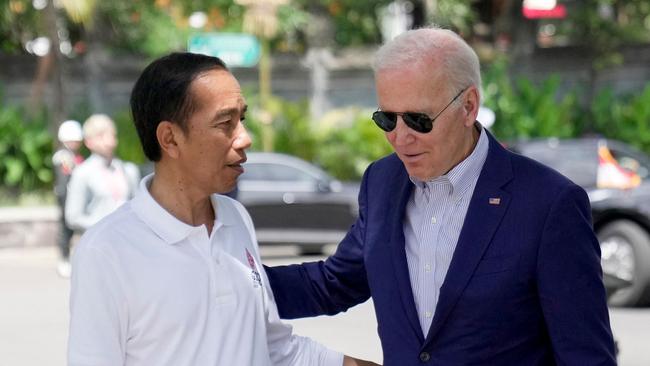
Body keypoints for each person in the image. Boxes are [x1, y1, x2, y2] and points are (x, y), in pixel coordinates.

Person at [265, 26, 617, 365]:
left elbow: (586, 356)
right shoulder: (382, 182)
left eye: (419, 120)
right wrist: (228, 282)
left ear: (468, 106)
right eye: (387, 119)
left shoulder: (549, 203)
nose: (400, 138)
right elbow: (334, 283)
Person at [68, 52, 377, 366]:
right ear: (170, 139)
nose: (245, 138)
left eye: (241, 119)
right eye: (225, 123)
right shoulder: (106, 251)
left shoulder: (234, 218)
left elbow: (274, 347)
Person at [64, 114, 140, 231]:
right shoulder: (82, 173)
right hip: (98, 243)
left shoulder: (129, 170)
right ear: (88, 142)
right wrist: (105, 227)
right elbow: (73, 217)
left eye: (111, 134)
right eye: (101, 135)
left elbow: (138, 209)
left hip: (128, 241)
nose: (108, 140)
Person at [52, 120, 84, 278]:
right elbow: (64, 180)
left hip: (74, 197)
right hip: (66, 197)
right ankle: (63, 259)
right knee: (65, 229)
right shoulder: (63, 156)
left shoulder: (74, 156)